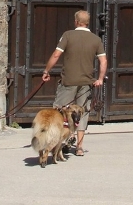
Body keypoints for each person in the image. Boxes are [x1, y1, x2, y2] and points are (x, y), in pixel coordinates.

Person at [41, 10, 108, 156]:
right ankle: (79, 147)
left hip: (68, 81)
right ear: (88, 23)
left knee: (60, 111)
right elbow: (103, 61)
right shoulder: (96, 39)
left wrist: (46, 71)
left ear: (76, 21)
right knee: (82, 113)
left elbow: (56, 55)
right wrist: (100, 79)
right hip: (86, 83)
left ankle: (61, 142)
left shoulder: (68, 36)